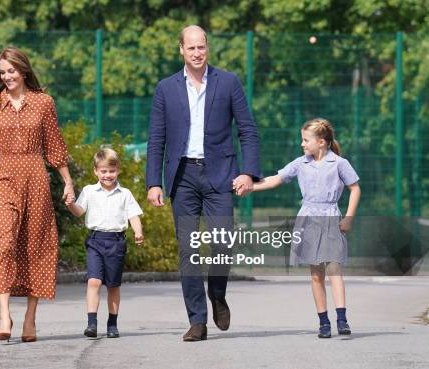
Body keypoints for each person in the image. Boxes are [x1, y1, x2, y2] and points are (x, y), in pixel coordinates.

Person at [146, 25, 261, 341]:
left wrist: (248, 173)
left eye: (202, 47)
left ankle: (218, 293)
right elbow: (156, 138)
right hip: (182, 177)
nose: (197, 53)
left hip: (220, 174)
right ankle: (197, 320)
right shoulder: (166, 88)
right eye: (191, 48)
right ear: (180, 49)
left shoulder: (228, 82)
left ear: (207, 49)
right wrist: (153, 182)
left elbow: (247, 131)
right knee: (189, 250)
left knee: (223, 244)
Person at [0, 47, 74, 343]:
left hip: (37, 178)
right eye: (2, 72)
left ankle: (30, 318)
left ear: (23, 71)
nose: (7, 77)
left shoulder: (43, 103)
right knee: (1, 240)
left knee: (34, 245)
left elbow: (54, 146)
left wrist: (67, 183)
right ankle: (4, 315)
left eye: (11, 71)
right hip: (5, 177)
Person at [245, 118, 361, 338]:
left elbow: (355, 189)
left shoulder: (339, 163)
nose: (302, 144)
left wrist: (348, 218)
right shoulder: (300, 163)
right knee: (316, 275)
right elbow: (275, 179)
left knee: (334, 270)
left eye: (306, 140)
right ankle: (324, 322)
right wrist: (250, 186)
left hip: (330, 218)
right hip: (307, 220)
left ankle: (342, 318)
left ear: (322, 142)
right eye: (302, 140)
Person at [65, 148, 144, 338]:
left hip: (116, 242)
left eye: (111, 171)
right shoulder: (89, 191)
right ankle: (91, 323)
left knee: (113, 285)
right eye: (103, 171)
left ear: (118, 171)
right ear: (96, 171)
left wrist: (138, 231)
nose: (108, 175)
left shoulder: (124, 193)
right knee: (94, 281)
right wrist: (70, 204)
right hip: (95, 240)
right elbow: (79, 211)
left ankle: (112, 324)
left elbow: (133, 215)